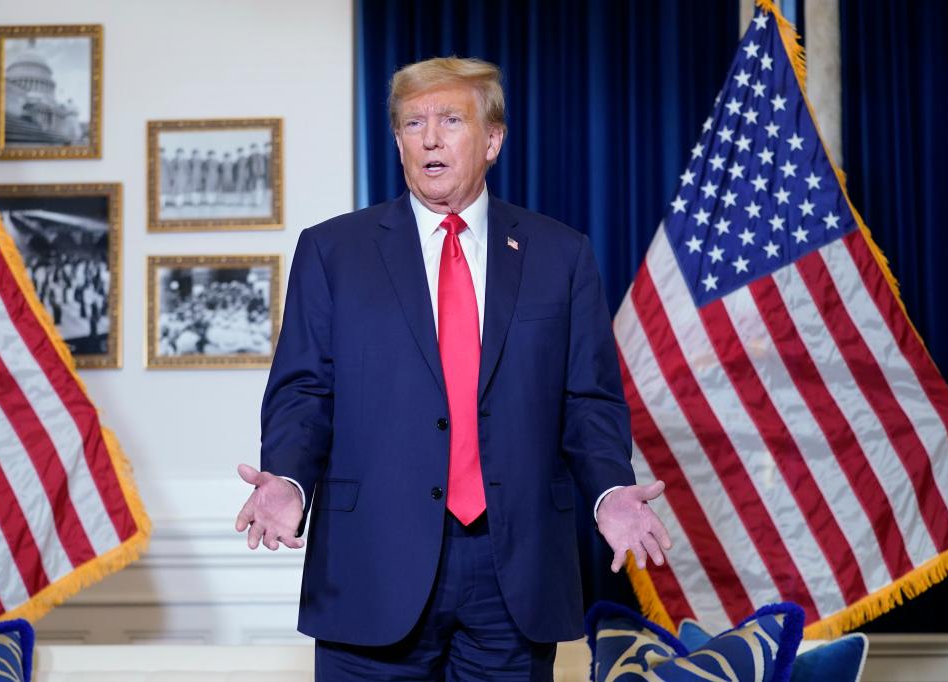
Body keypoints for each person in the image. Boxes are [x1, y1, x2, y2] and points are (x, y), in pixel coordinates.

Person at [235, 57, 671, 680]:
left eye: (449, 120)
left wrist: (607, 488)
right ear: (398, 141)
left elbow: (588, 400)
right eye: (413, 122)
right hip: (373, 563)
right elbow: (304, 390)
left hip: (513, 568)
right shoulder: (333, 251)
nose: (430, 137)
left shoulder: (560, 253)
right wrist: (289, 477)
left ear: (493, 139)